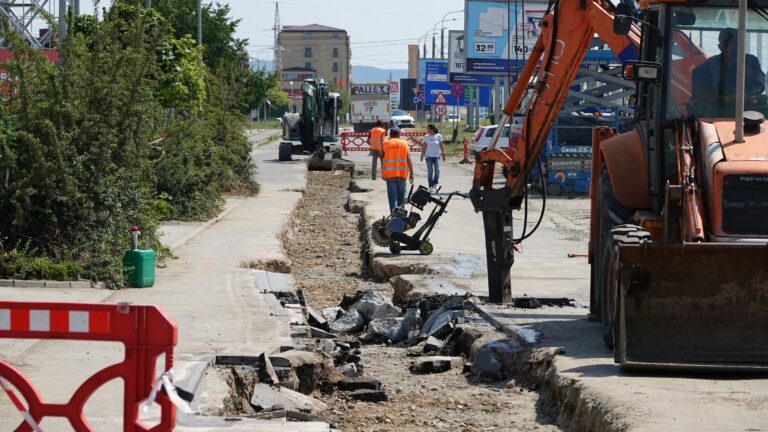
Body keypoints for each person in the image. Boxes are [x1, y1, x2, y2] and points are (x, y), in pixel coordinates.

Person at [691, 28, 766, 109]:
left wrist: (750, 76)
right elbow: (700, 93)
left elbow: (760, 83)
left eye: (737, 43)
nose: (735, 47)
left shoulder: (751, 61)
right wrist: (728, 99)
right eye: (729, 44)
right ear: (720, 47)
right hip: (718, 113)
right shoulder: (709, 66)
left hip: (749, 110)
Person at [381, 128, 414, 211]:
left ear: (390, 134)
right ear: (399, 135)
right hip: (402, 175)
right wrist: (412, 173)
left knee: (392, 198)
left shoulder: (385, 143)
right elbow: (408, 159)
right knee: (401, 198)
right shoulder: (404, 144)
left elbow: (381, 156)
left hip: (389, 175)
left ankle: (393, 217)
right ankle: (401, 218)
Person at [419, 124, 446, 193]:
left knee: (437, 170)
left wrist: (443, 154)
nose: (427, 130)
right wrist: (422, 154)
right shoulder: (426, 136)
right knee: (430, 171)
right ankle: (430, 186)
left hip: (436, 156)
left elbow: (441, 145)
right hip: (428, 156)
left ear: (432, 129)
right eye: (427, 129)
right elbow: (424, 146)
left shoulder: (438, 136)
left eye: (428, 129)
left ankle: (435, 183)